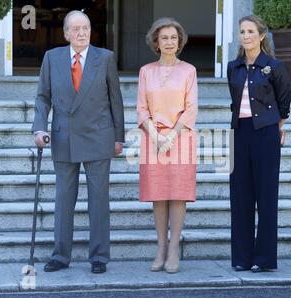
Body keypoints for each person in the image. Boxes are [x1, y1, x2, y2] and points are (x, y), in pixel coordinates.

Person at [32, 10, 125, 274]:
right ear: (66, 33)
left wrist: (119, 137)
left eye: (85, 28)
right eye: (75, 29)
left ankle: (99, 257)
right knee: (63, 199)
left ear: (90, 30)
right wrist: (39, 128)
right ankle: (60, 256)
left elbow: (115, 100)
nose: (81, 33)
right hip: (63, 137)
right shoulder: (52, 58)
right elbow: (42, 97)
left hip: (99, 135)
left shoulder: (104, 58)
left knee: (98, 200)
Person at [227, 15, 291, 273]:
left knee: (266, 196)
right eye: (242, 31)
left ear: (262, 35)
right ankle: (242, 258)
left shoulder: (274, 66)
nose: (246, 35)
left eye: (251, 31)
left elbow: (284, 103)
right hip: (239, 133)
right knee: (240, 196)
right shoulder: (234, 66)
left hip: (265, 134)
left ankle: (263, 259)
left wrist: (279, 127)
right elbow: (234, 102)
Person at [137, 17, 198, 273]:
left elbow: (191, 108)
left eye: (174, 37)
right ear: (156, 42)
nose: (169, 42)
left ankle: (174, 248)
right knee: (158, 196)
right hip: (152, 139)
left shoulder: (189, 71)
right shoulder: (146, 71)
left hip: (181, 138)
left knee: (178, 195)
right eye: (164, 38)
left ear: (179, 41)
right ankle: (160, 247)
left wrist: (171, 136)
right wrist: (157, 136)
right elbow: (141, 109)